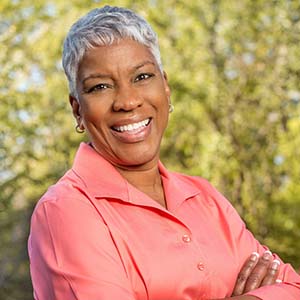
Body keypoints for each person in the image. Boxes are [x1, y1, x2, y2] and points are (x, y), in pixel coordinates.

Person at [28, 5, 300, 300]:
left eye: (142, 77)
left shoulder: (205, 198)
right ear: (78, 109)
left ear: (166, 88)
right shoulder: (66, 211)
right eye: (101, 86)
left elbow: (293, 286)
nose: (128, 101)